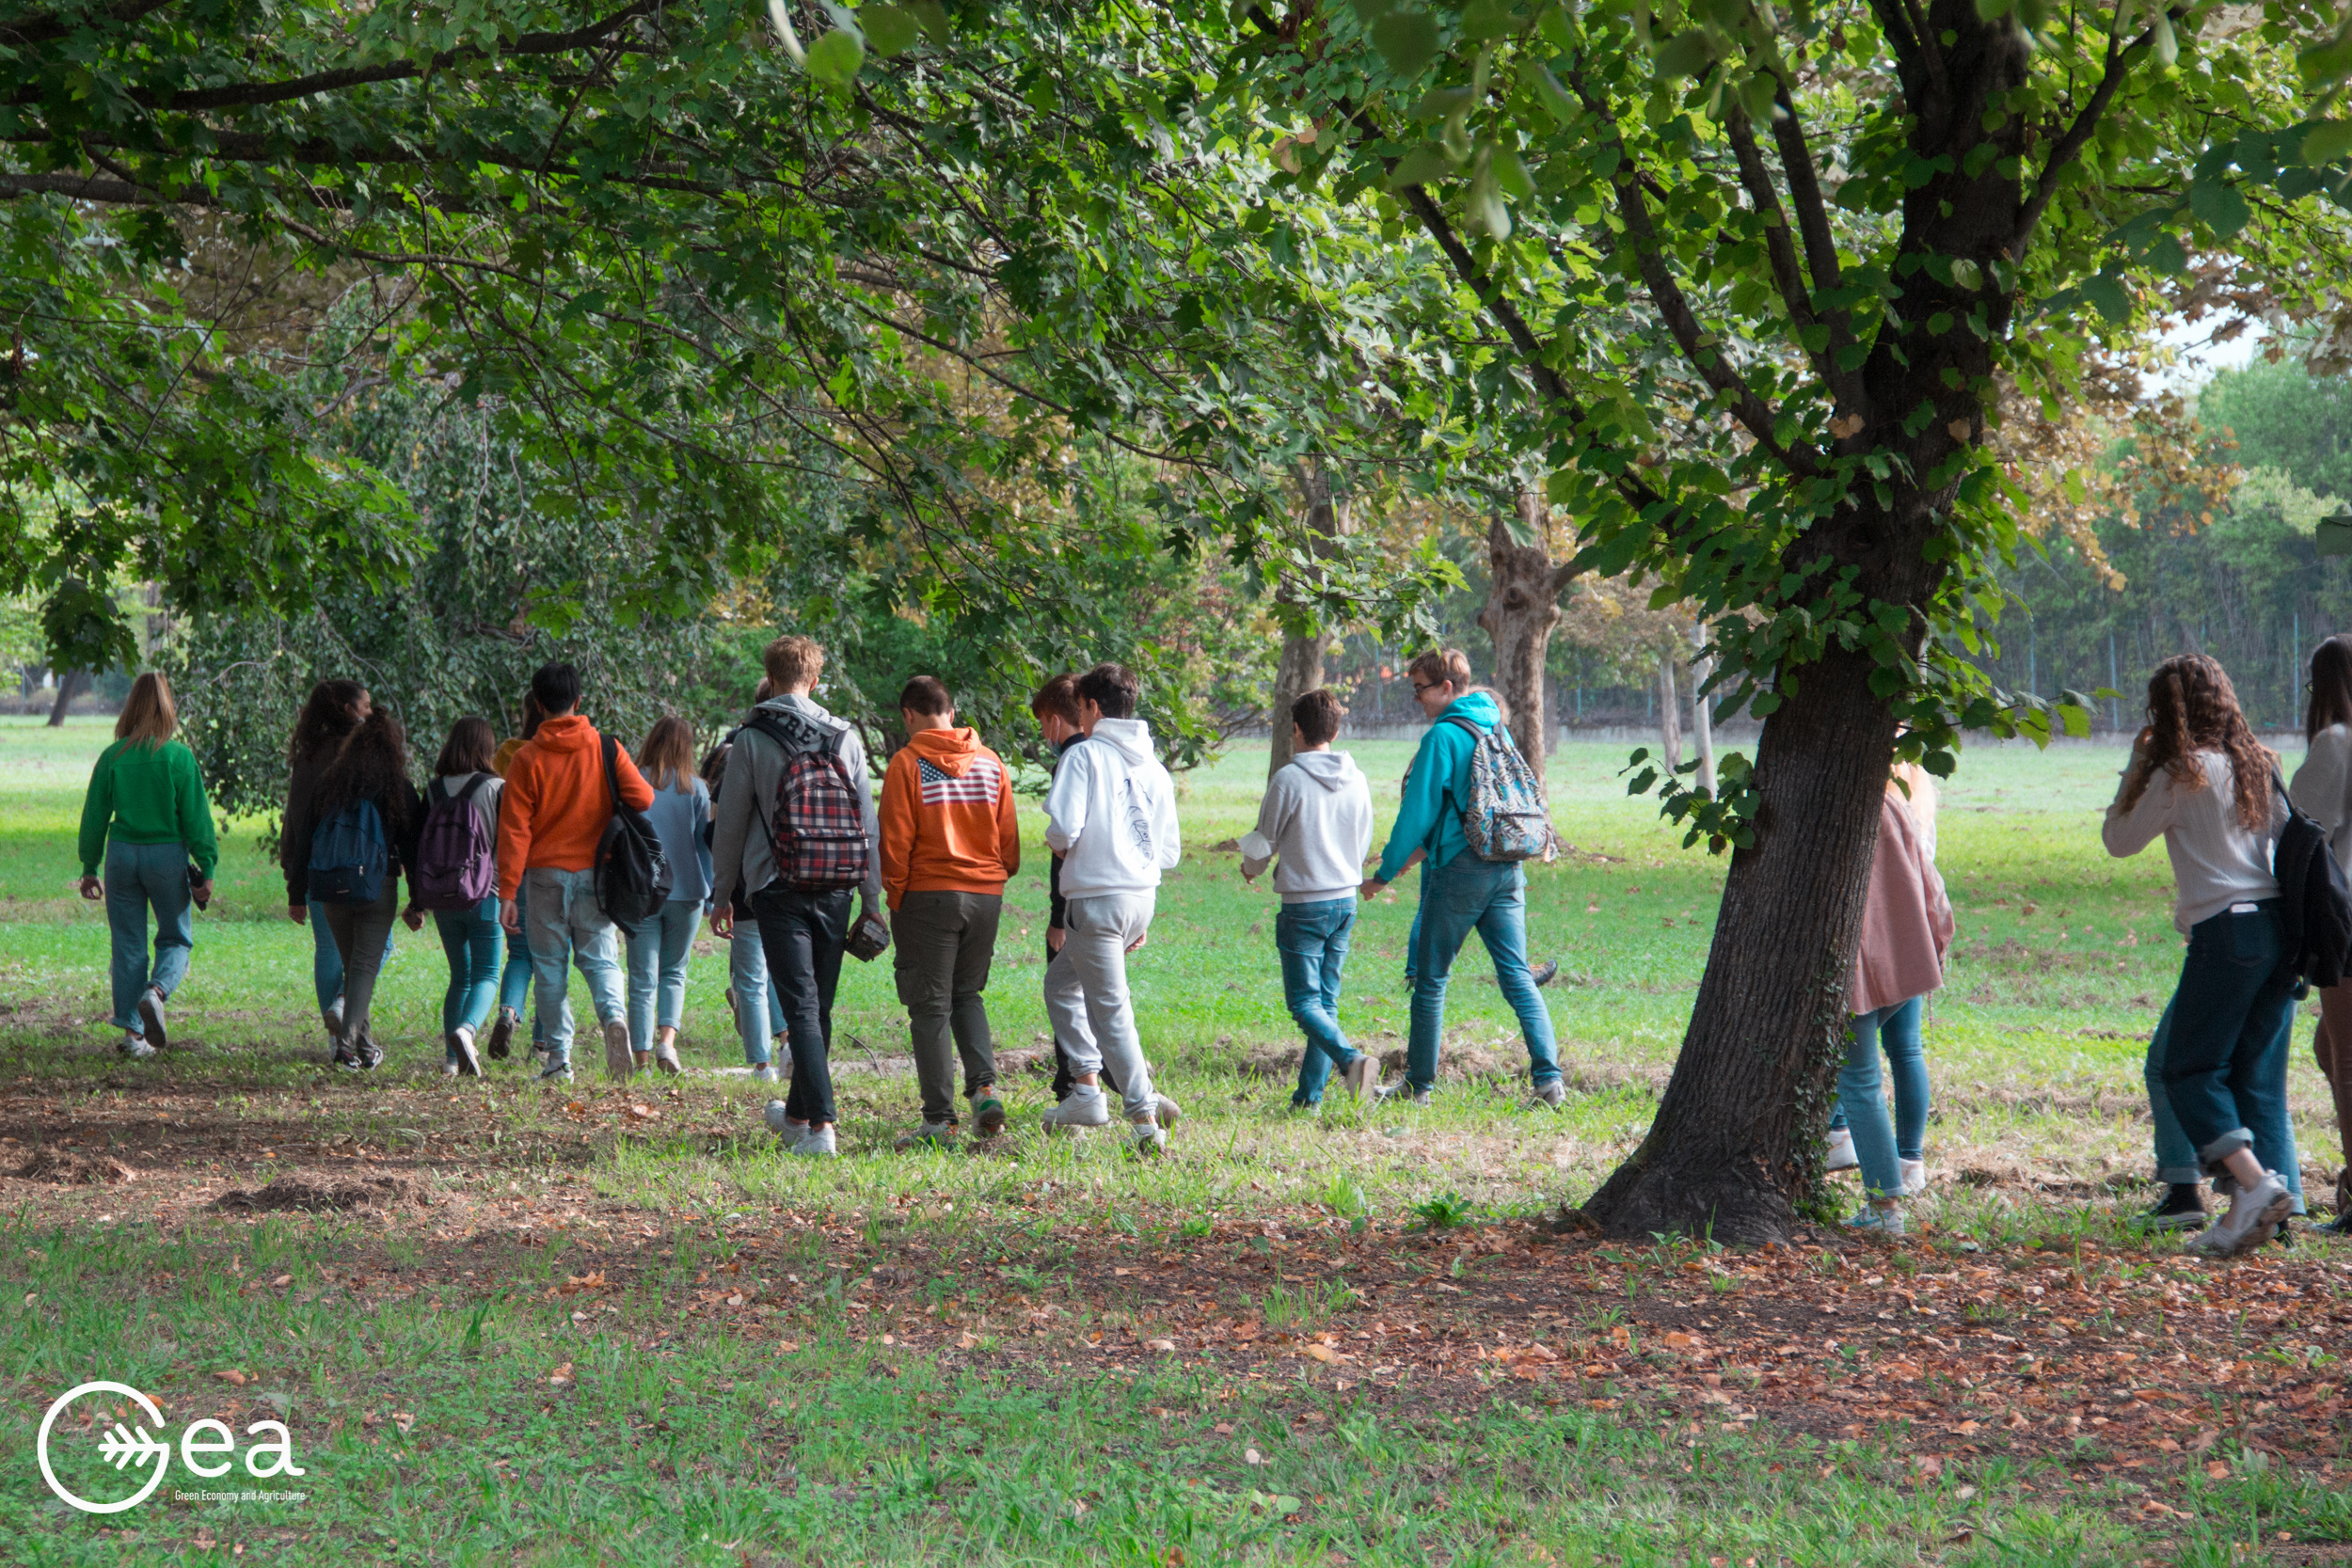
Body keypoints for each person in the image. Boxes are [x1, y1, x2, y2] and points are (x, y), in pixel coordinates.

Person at [2105, 653, 2303, 1255]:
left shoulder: (2178, 773)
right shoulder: (2257, 766)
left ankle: (2253, 1186)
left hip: (2227, 936)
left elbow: (2119, 840)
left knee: (2185, 1068)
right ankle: (2276, 1214)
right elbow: (2285, 844)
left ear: (2164, 712)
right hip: (2277, 932)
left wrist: (2139, 762)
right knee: (2258, 1079)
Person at [1360, 649, 1564, 1107]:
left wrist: (1384, 874)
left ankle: (1418, 1086)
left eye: (1421, 689)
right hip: (1506, 864)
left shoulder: (1443, 737)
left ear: (1447, 688)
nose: (1417, 699)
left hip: (1460, 870)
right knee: (1516, 975)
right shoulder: (1495, 726)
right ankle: (1549, 1082)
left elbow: (1416, 816)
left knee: (1431, 980)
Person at [710, 636, 884, 1158]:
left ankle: (822, 1127)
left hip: (775, 884)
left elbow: (732, 825)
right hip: (837, 884)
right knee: (817, 1005)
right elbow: (867, 827)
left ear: (770, 673)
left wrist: (723, 894)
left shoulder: (751, 738)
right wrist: (871, 898)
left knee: (802, 1006)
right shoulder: (844, 736)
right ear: (814, 679)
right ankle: (797, 1116)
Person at [1040, 662, 1182, 1152]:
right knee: (1061, 984)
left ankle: (1144, 1117)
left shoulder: (1085, 757)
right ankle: (1085, 1089)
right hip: (1140, 899)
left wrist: (1067, 847)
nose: (1079, 719)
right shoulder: (1155, 766)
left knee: (1111, 1010)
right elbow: (1169, 852)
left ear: (1093, 707)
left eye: (1080, 708)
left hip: (1096, 901)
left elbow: (1062, 831)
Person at [497, 661, 656, 1084]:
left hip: (544, 877)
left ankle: (558, 1061)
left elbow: (514, 830)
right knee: (601, 961)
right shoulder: (606, 747)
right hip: (595, 877)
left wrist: (507, 892)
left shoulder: (526, 759)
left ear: (538, 703)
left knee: (549, 969)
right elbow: (643, 797)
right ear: (578, 700)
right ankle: (614, 1019)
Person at [879, 675, 1019, 1148]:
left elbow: (895, 841)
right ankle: (983, 1091)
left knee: (930, 1006)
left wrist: (895, 895)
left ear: (909, 716)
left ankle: (939, 1121)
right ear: (952, 712)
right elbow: (1010, 843)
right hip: (986, 896)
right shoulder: (991, 763)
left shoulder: (906, 764)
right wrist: (992, 879)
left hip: (929, 895)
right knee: (968, 994)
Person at [1823, 765, 1953, 1238]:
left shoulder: (1837, 812)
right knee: (1869, 1068)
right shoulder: (1895, 803)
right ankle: (1882, 1175)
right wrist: (1936, 943)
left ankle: (1884, 1208)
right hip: (1902, 962)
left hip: (1856, 967)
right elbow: (1932, 886)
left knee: (1859, 1080)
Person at [1241, 689, 1376, 1109]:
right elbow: (1364, 835)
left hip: (1304, 905)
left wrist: (1250, 869)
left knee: (1303, 1003)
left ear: (1296, 730)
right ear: (1334, 730)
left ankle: (1351, 1060)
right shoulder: (1357, 778)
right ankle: (1308, 1099)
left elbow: (1265, 840)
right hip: (1345, 900)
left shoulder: (1288, 779)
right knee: (1326, 1002)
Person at [75, 673, 217, 1059]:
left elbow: (94, 816)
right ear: (167, 708)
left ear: (131, 707)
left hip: (121, 855)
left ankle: (133, 1037)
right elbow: (197, 819)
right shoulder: (177, 757)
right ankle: (155, 992)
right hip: (167, 855)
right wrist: (206, 866)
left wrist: (89, 866)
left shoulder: (113, 756)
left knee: (127, 944)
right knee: (175, 938)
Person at [288, 708, 422, 1070]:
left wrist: (296, 892)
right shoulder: (399, 789)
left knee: (354, 967)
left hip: (330, 888)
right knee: (362, 967)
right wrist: (418, 900)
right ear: (394, 749)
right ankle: (346, 1048)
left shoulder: (329, 785)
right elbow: (413, 849)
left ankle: (364, 1045)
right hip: (377, 887)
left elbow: (306, 843)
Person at [281, 679, 391, 1054]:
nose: (370, 710)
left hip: (317, 866)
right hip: (362, 865)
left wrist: (293, 876)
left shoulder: (309, 753)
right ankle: (346, 1007)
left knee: (329, 950)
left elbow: (295, 817)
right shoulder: (364, 749)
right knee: (378, 945)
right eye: (366, 704)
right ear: (348, 709)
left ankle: (340, 1039)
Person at [2291, 633, 2352, 1236]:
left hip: (2348, 913)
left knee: (2345, 1056)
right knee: (2327, 1050)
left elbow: (2302, 824)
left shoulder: (2336, 743)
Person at [406, 717, 505, 1076]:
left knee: (459, 976)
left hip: (443, 897)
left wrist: (416, 901)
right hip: (485, 894)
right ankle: (467, 1031)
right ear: (487, 747)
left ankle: (451, 1062)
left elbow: (418, 847)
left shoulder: (433, 791)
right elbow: (507, 845)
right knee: (488, 975)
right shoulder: (497, 787)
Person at [625, 716, 711, 1076]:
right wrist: (710, 893)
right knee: (674, 972)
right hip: (687, 890)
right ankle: (667, 1044)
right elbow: (703, 846)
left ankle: (641, 1060)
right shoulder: (697, 789)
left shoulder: (632, 782)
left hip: (643, 891)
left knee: (642, 977)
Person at [704, 736, 787, 1081]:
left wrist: (720, 897)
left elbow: (714, 838)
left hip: (743, 895)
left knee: (751, 981)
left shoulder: (725, 791)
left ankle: (761, 1066)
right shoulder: (782, 777)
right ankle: (788, 1043)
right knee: (781, 973)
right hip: (783, 887)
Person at [485, 689, 547, 1063]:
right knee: (552, 958)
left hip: (518, 864)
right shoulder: (570, 753)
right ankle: (542, 1044)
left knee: (520, 954)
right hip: (558, 863)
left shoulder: (509, 753)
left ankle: (508, 1012)